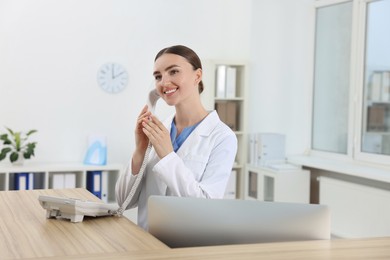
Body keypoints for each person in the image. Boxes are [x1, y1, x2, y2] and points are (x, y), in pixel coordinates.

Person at [115, 45, 237, 230]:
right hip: (147, 242)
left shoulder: (222, 137)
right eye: (158, 76)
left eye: (173, 71)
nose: (164, 82)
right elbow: (123, 200)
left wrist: (168, 156)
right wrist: (140, 149)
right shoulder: (158, 130)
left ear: (197, 76)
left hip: (188, 245)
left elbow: (206, 207)